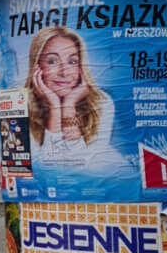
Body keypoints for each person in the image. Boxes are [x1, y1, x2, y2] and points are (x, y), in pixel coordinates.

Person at [24, 26, 115, 169]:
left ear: (81, 67)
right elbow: (47, 170)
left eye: (72, 62)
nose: (64, 73)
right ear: (37, 66)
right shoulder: (20, 104)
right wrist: (55, 108)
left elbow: (86, 168)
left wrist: (69, 107)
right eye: (52, 61)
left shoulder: (101, 102)